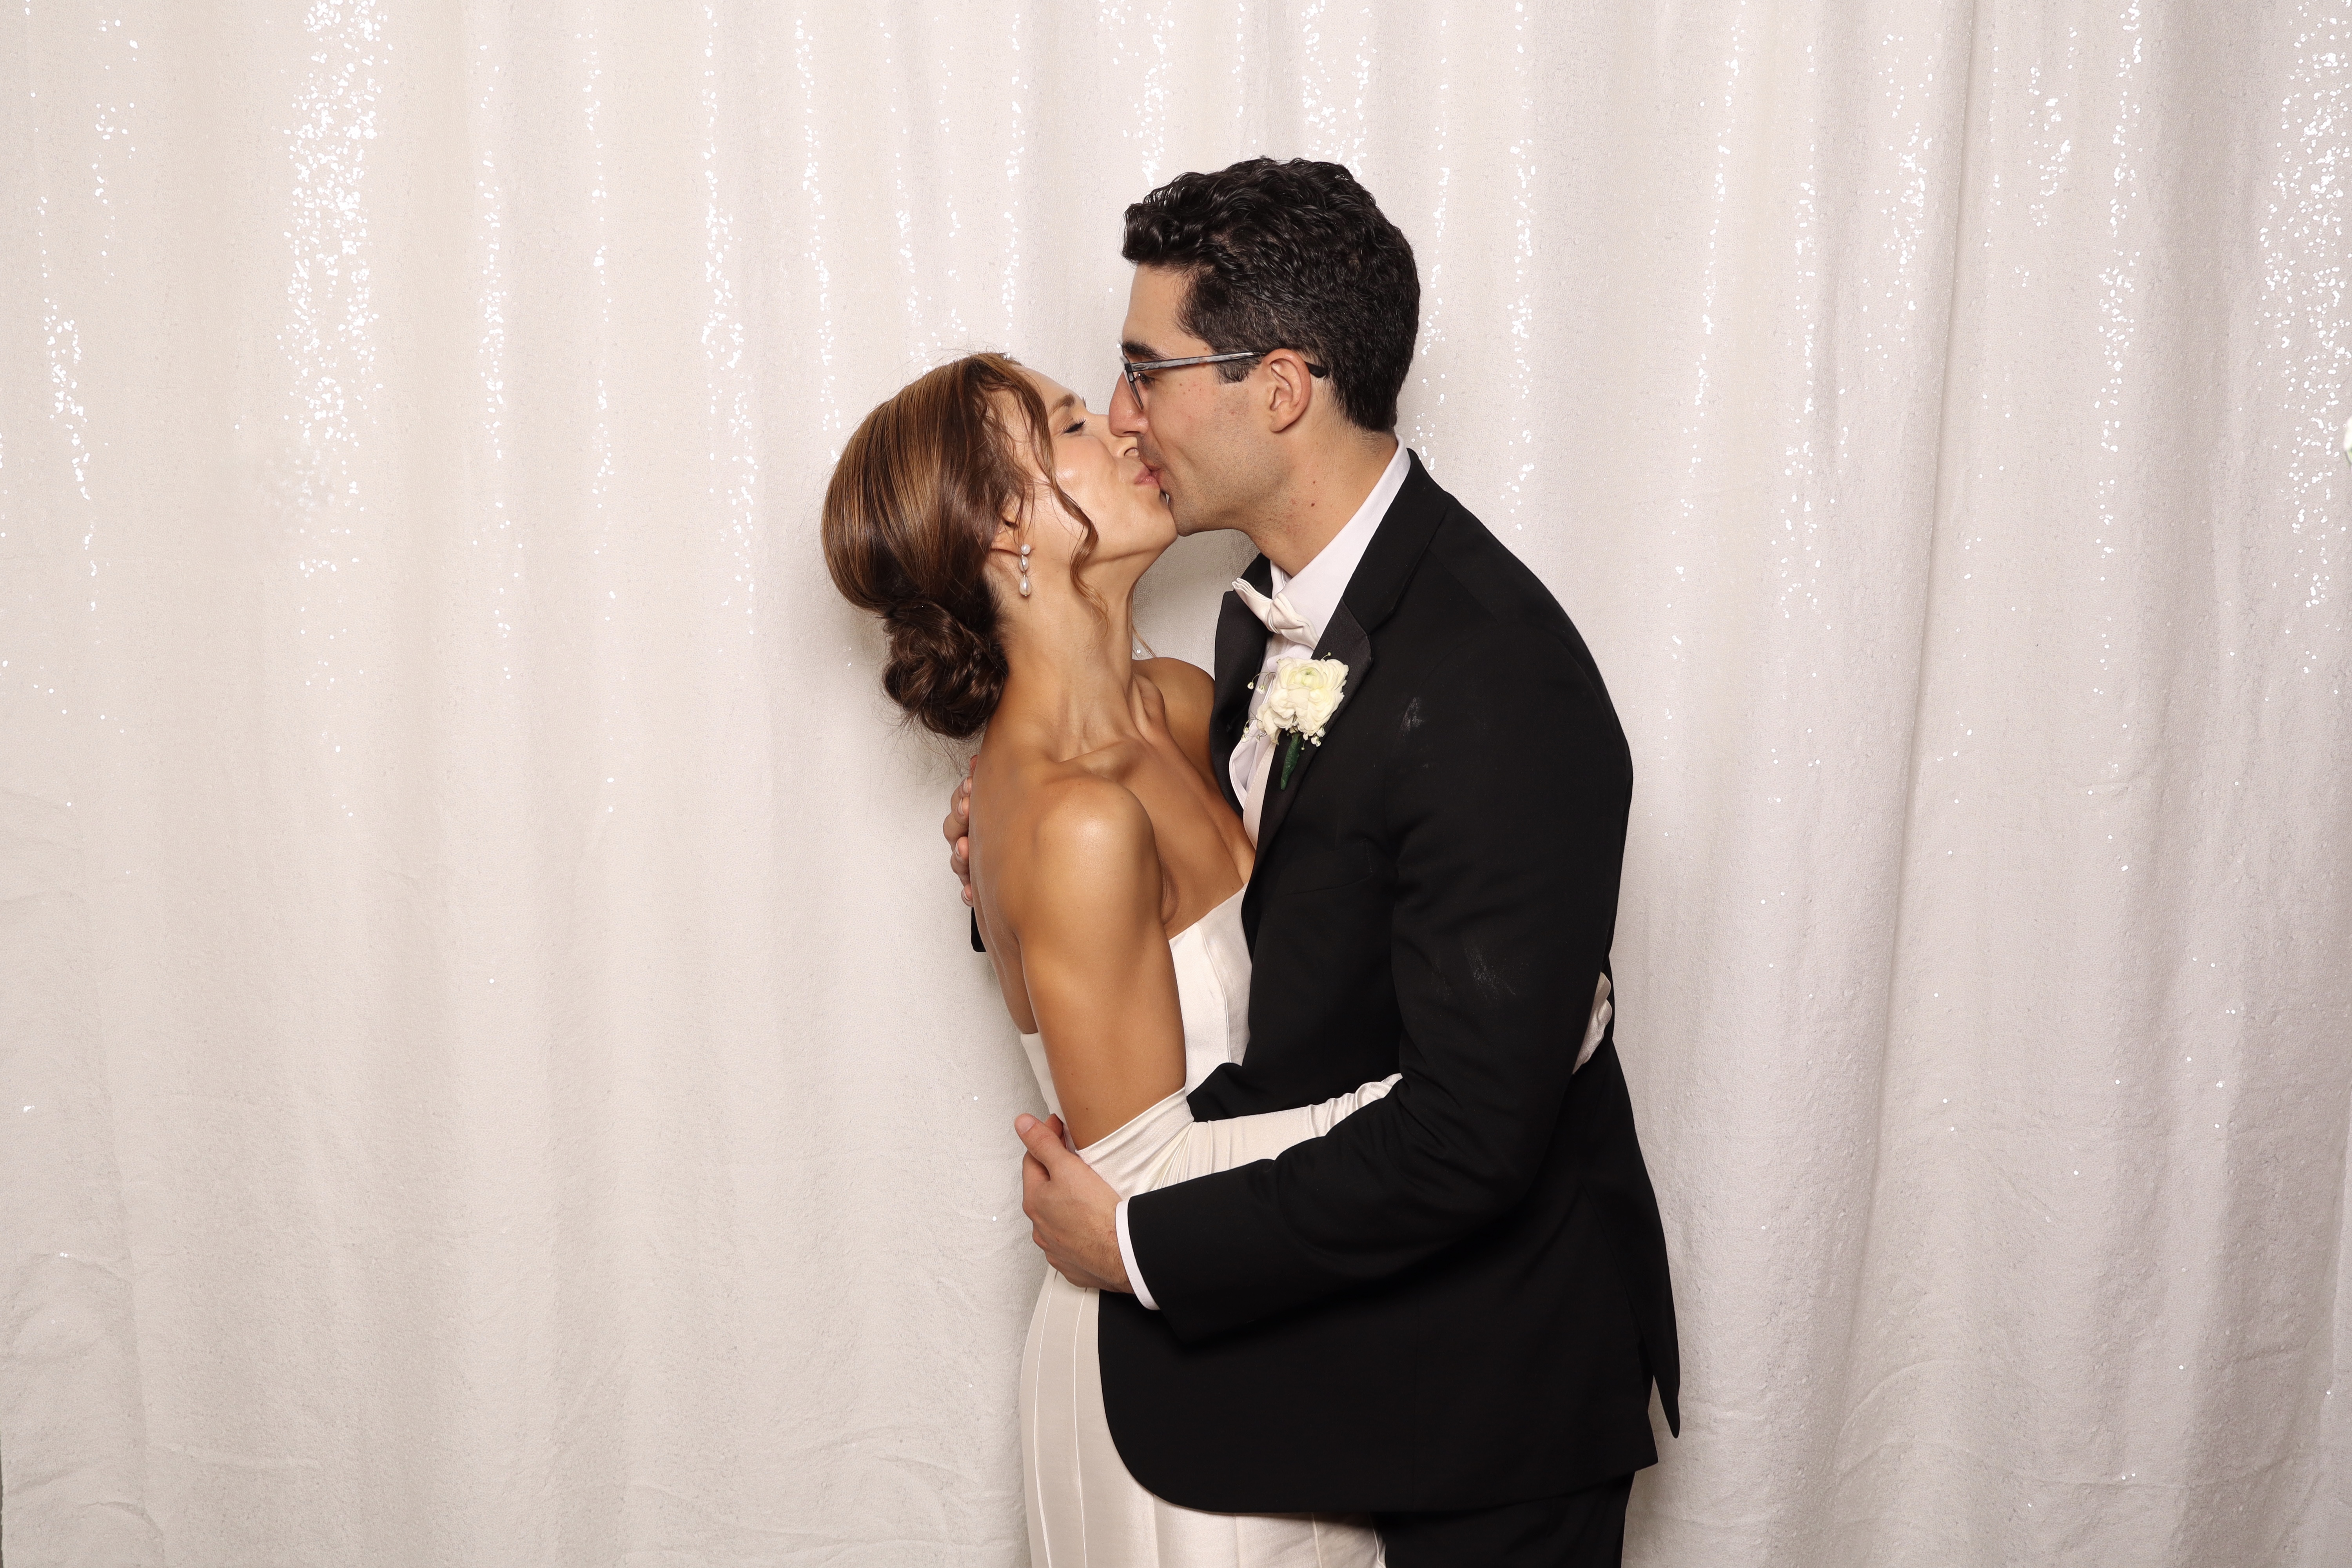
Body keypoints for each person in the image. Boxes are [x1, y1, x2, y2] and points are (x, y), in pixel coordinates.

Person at [946, 158, 1681, 1567]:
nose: (1124, 414)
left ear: (1278, 388)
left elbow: (1474, 1135)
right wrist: (1018, 868)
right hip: (1323, 1368)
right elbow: (1246, 906)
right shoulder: (1253, 635)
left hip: (1492, 1395)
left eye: (1145, 371)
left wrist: (1142, 1246)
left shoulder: (1495, 682)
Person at [823, 350, 1397, 1566]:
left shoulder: (1187, 703)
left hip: (1290, 1327)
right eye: (1075, 423)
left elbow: (1337, 875)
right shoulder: (1070, 821)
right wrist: (1443, 1099)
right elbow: (1143, 1176)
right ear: (1003, 532)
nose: (1130, 426)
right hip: (1172, 1394)